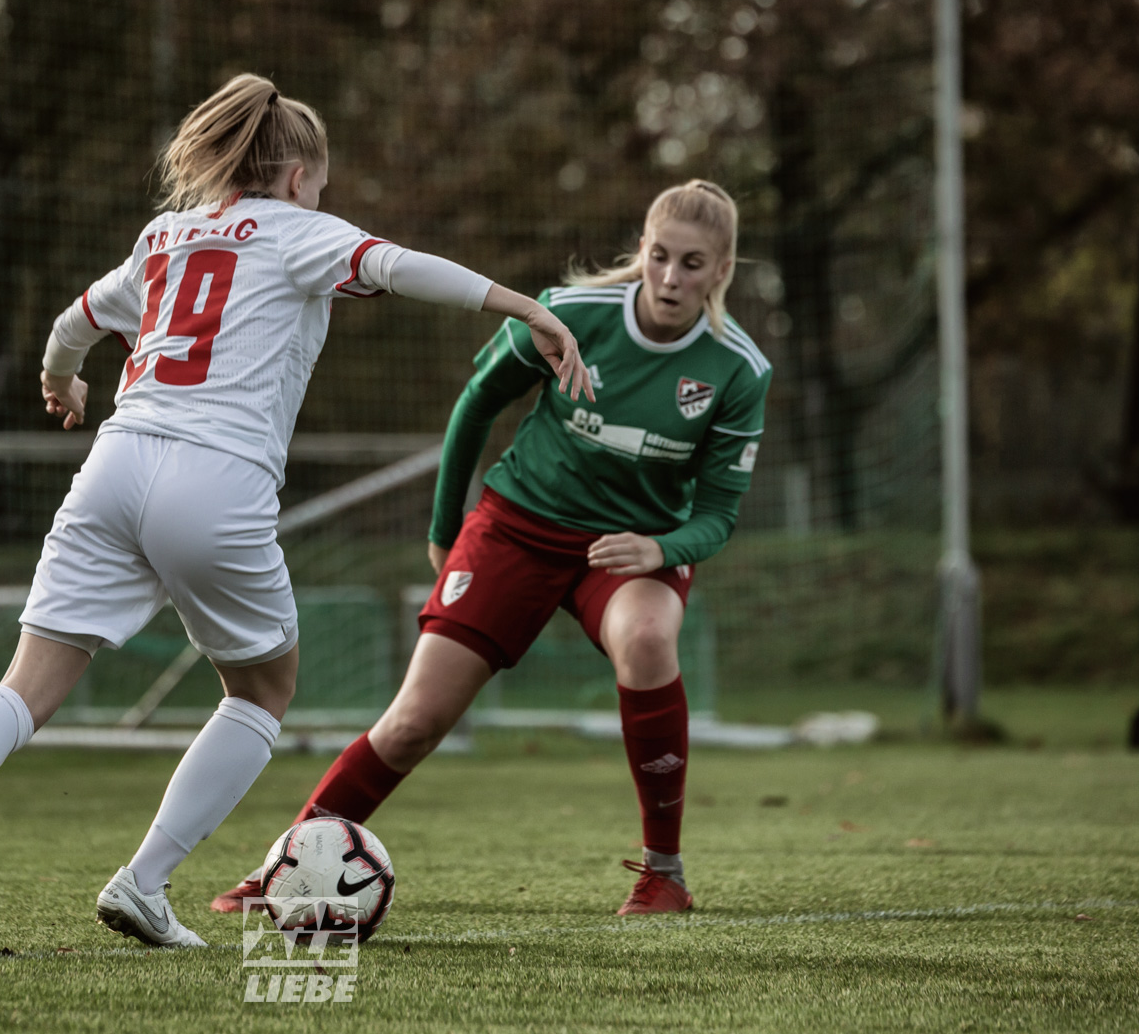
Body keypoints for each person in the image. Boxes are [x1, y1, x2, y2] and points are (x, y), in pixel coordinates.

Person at [0, 74, 593, 954]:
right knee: (264, 690)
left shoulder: (166, 234)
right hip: (215, 478)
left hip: (115, 463)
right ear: (300, 176)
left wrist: (60, 382)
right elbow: (395, 265)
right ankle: (143, 882)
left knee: (26, 686)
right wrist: (526, 307)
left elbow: (73, 322)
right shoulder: (302, 231)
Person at [212, 179, 770, 918]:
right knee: (413, 721)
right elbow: (476, 404)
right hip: (518, 527)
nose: (670, 278)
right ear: (641, 249)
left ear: (722, 270)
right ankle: (288, 869)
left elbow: (721, 514)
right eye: (659, 256)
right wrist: (446, 528)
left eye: (692, 264)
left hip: (624, 551)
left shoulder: (738, 369)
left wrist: (662, 547)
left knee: (646, 637)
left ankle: (663, 874)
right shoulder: (568, 315)